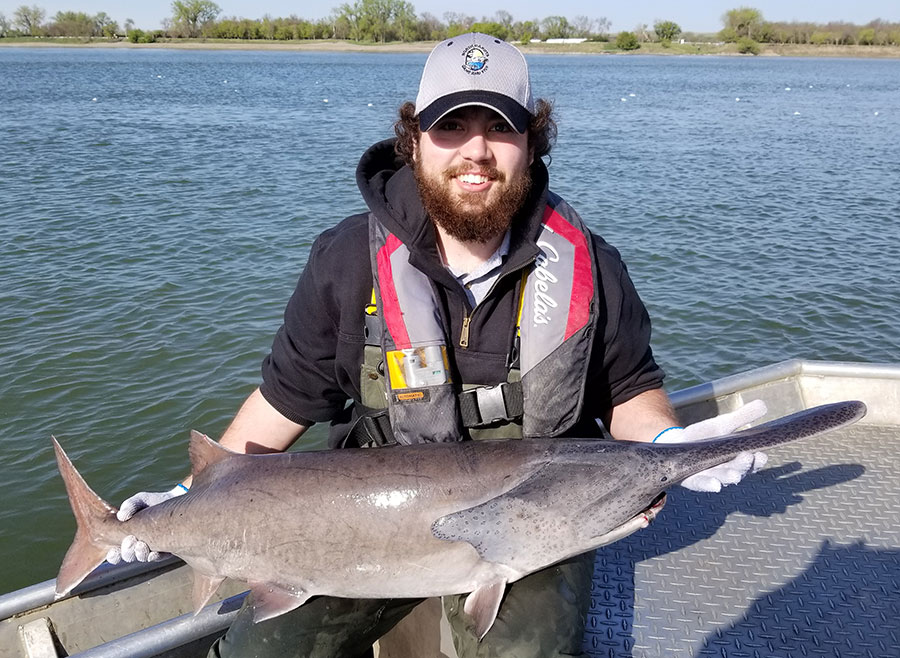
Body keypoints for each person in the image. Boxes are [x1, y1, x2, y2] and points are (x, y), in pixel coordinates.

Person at [109, 33, 766, 658]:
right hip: (362, 520)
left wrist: (663, 445)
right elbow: (282, 402)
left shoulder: (591, 266)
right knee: (266, 649)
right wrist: (187, 494)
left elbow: (629, 390)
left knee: (526, 648)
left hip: (528, 522)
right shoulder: (345, 261)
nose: (474, 150)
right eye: (450, 127)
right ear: (414, 142)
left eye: (499, 128)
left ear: (530, 145)